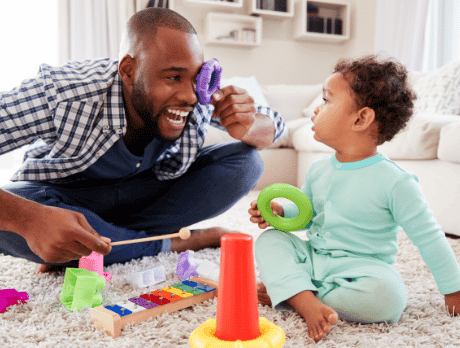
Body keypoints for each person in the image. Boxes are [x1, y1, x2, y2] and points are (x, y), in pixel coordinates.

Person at [0, 8, 286, 273]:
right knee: (15, 209)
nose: (190, 96)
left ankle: (103, 245)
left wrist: (247, 124)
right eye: (173, 77)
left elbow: (275, 123)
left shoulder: (196, 92)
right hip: (63, 197)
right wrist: (29, 220)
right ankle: (175, 242)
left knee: (245, 163)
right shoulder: (64, 93)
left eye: (194, 78)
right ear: (128, 71)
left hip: (142, 196)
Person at [248, 55, 460, 342]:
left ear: (361, 118)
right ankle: (303, 297)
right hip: (315, 257)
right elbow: (308, 215)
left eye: (326, 101)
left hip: (361, 269)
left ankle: (294, 292)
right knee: (270, 241)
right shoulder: (319, 169)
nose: (315, 111)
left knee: (389, 297)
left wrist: (454, 289)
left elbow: (430, 238)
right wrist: (281, 212)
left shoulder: (395, 181)